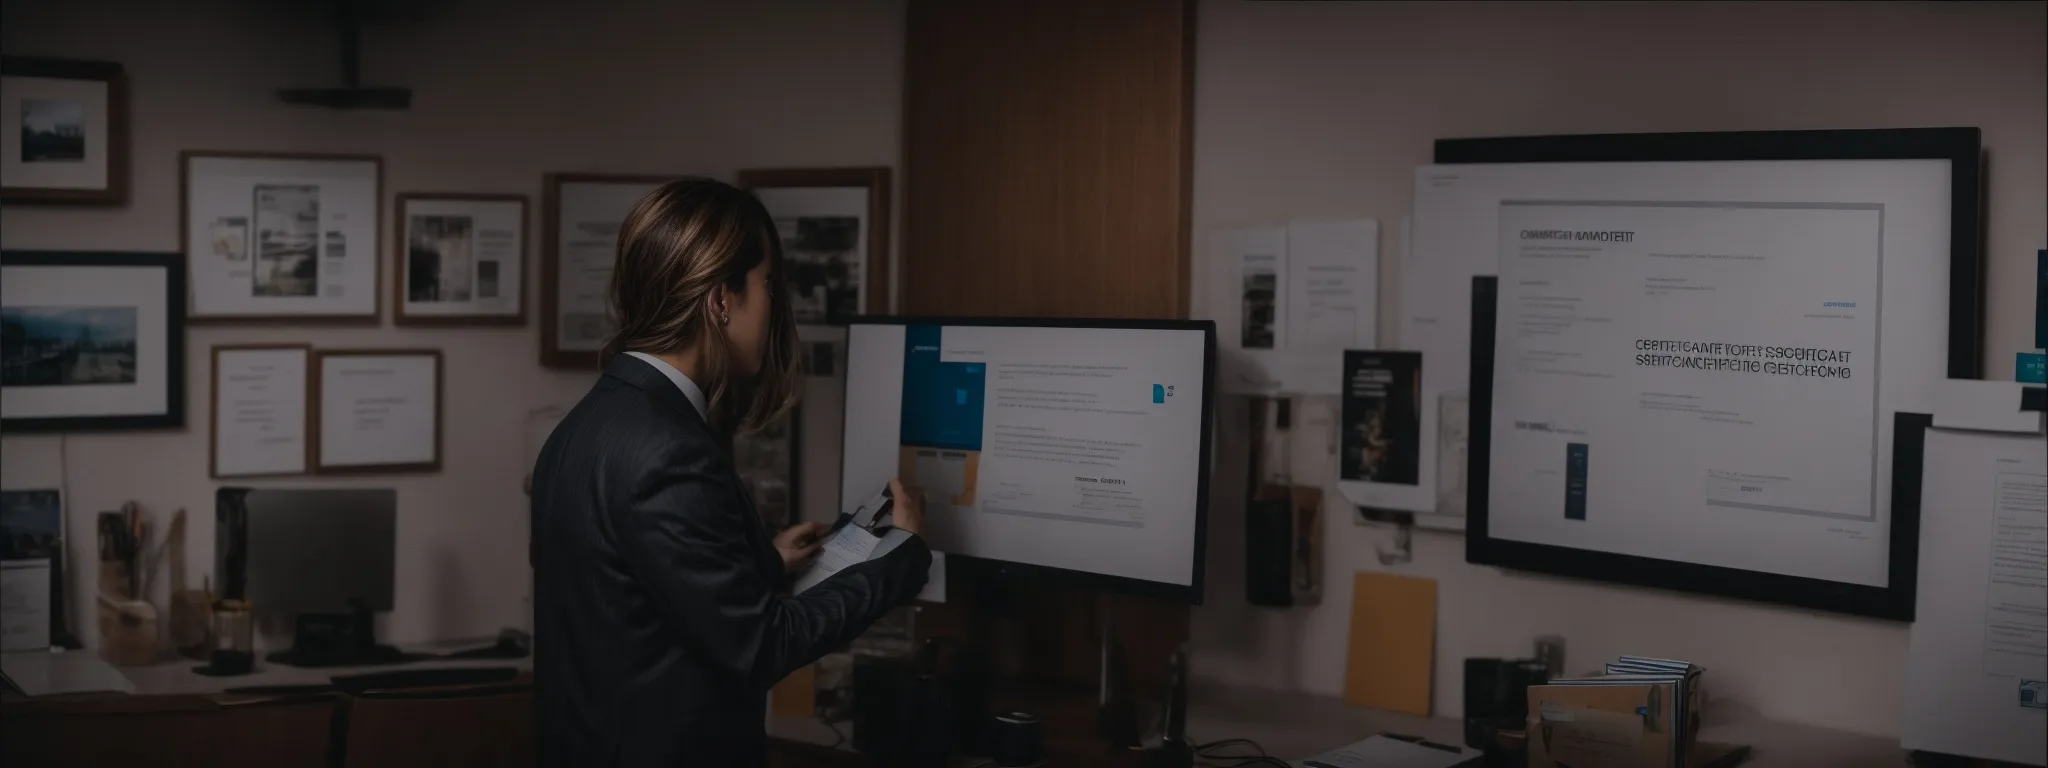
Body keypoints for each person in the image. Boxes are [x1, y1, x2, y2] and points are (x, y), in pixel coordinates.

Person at [530, 178, 932, 766]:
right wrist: (902, 553)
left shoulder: (588, 424)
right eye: (767, 285)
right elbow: (762, 646)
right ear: (721, 300)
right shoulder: (669, 449)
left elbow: (637, 593)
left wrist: (765, 563)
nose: (772, 306)